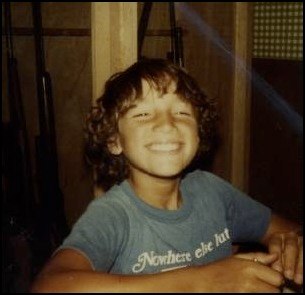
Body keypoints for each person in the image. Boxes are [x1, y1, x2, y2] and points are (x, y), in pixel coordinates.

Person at [31, 58, 303, 292]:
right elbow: (49, 286)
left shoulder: (213, 191)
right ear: (115, 140)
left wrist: (288, 247)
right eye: (144, 114)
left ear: (198, 132)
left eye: (182, 112)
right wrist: (201, 282)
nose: (167, 123)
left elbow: (284, 230)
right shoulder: (112, 215)